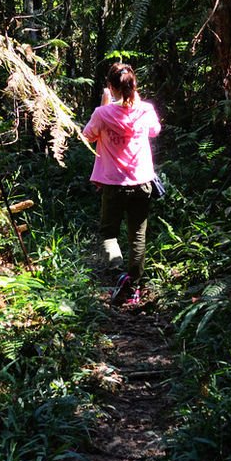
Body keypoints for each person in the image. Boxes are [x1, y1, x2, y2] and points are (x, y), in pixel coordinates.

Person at [82, 62, 162, 306]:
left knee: (108, 233)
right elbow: (155, 131)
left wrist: (106, 104)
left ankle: (120, 275)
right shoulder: (145, 110)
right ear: (133, 85)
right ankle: (134, 287)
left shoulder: (102, 113)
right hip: (142, 183)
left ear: (110, 86)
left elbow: (87, 136)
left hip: (113, 184)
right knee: (137, 236)